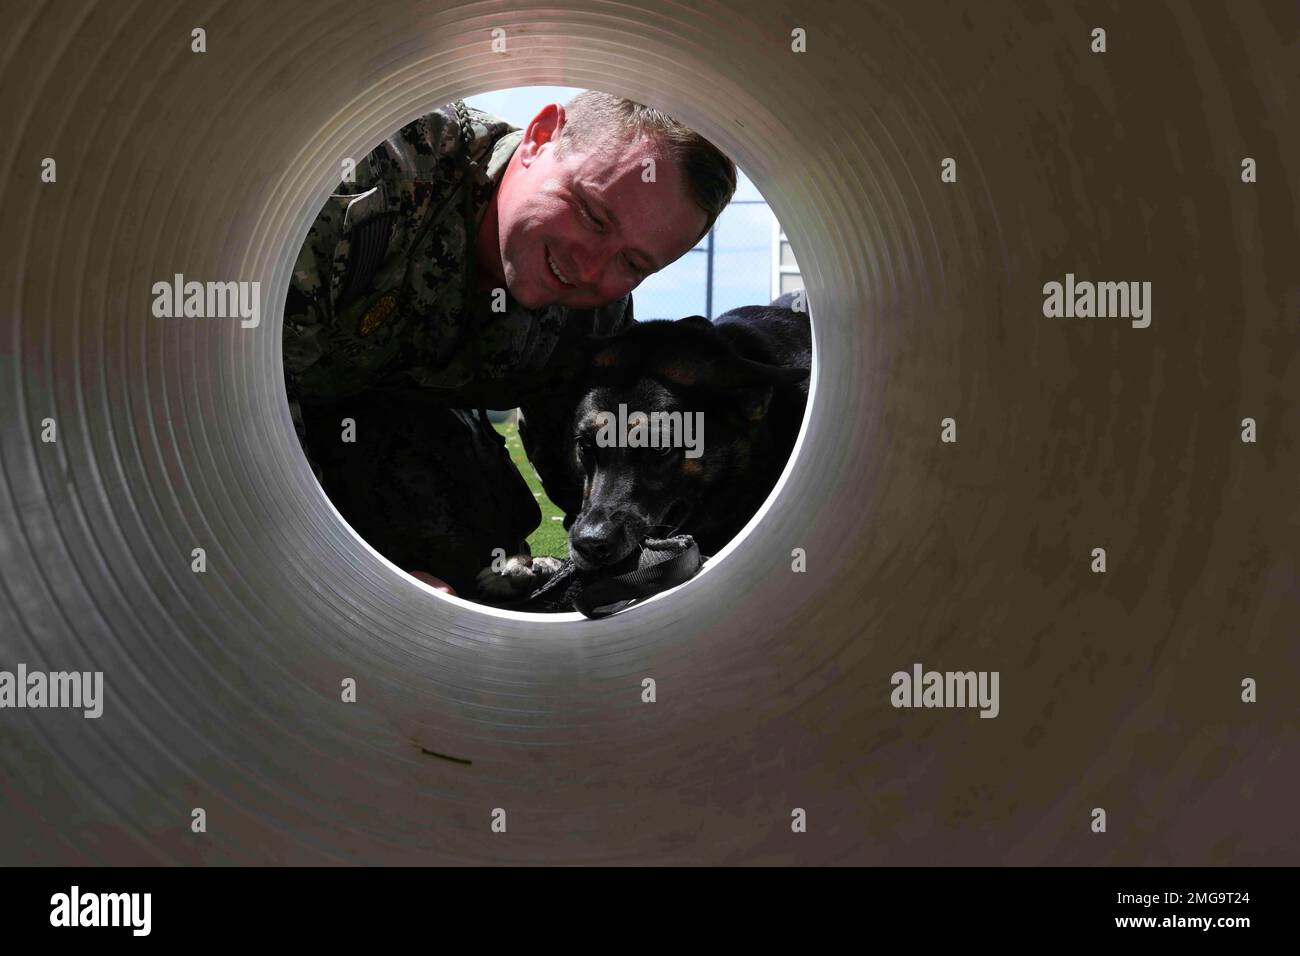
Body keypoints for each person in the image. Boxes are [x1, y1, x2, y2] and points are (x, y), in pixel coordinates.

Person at [283, 92, 737, 595]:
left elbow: (586, 453)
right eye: (591, 214)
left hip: (398, 432)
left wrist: (616, 558)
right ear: (541, 138)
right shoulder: (377, 172)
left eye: (632, 264)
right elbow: (226, 398)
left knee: (485, 558)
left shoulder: (595, 320)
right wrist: (344, 573)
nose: (588, 270)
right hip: (263, 413)